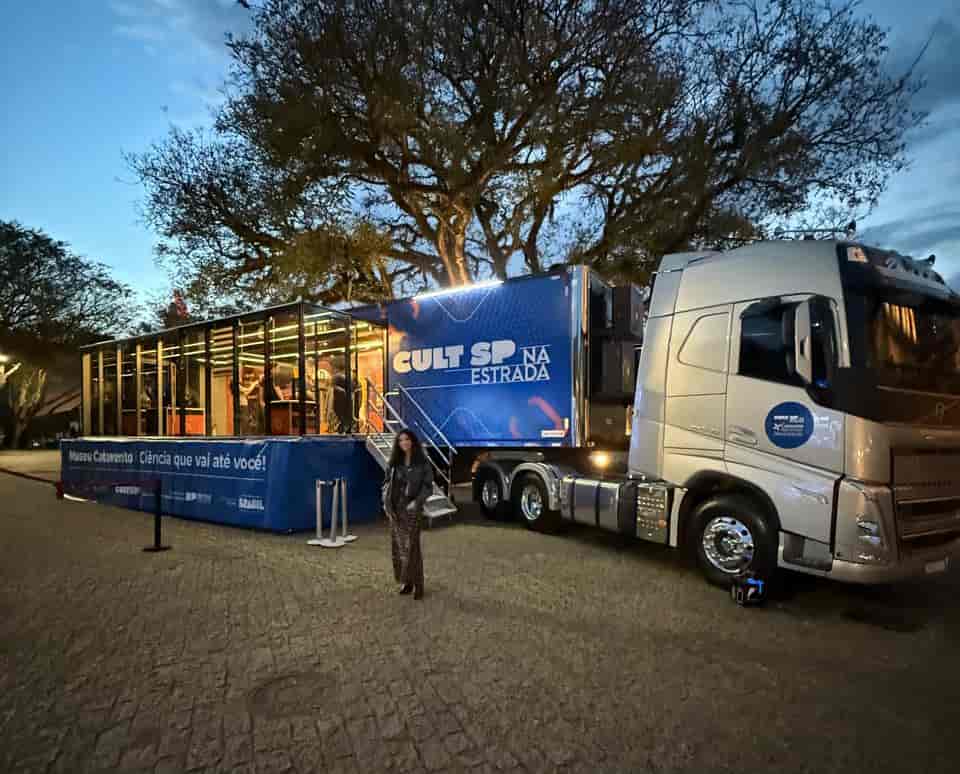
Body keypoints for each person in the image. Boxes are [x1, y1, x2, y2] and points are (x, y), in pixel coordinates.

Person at [382, 429, 434, 600]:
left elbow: (428, 487)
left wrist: (417, 502)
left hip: (412, 509)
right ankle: (407, 582)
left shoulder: (422, 462)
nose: (404, 442)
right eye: (401, 440)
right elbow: (387, 483)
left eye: (407, 439)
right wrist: (386, 501)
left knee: (412, 548)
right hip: (396, 509)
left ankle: (419, 584)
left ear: (413, 441)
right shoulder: (394, 462)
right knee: (399, 547)